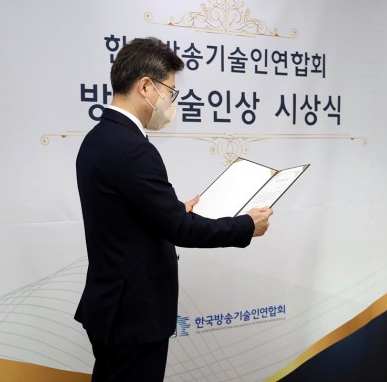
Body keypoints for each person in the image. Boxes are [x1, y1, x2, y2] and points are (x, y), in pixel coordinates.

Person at [75, 37, 273, 382]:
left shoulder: (97, 139)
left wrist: (172, 209)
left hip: (111, 305)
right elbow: (181, 229)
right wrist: (246, 225)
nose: (172, 101)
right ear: (145, 87)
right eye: (170, 91)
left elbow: (123, 214)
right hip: (135, 313)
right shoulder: (132, 148)